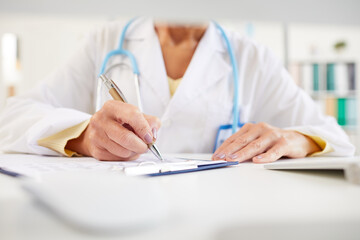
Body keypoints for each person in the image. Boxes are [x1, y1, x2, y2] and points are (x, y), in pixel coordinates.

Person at [0, 17, 355, 163]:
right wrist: (83, 135)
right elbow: (11, 116)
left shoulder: (250, 57)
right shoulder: (106, 41)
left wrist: (297, 138)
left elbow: (337, 139)